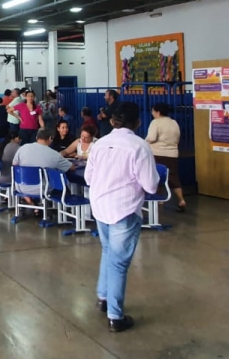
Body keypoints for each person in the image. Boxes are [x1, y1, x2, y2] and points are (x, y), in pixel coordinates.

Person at [85, 102, 160, 333]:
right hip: (123, 210)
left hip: (100, 206)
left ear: (111, 121)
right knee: (118, 262)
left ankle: (103, 297)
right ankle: (115, 317)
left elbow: (89, 178)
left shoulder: (99, 144)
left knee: (108, 251)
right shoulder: (139, 146)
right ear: (138, 122)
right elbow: (151, 185)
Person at [11, 127, 73, 206]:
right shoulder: (54, 154)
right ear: (50, 138)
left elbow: (14, 166)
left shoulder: (23, 148)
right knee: (62, 185)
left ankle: (35, 205)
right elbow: (71, 167)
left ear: (36, 137)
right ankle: (61, 209)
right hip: (42, 190)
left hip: (20, 187)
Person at [147, 102, 185, 212]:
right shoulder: (174, 122)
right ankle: (181, 200)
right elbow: (177, 138)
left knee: (156, 176)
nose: (152, 113)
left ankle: (159, 200)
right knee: (173, 177)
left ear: (158, 112)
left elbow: (151, 138)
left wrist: (144, 142)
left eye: (153, 111)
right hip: (172, 154)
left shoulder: (155, 122)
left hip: (157, 153)